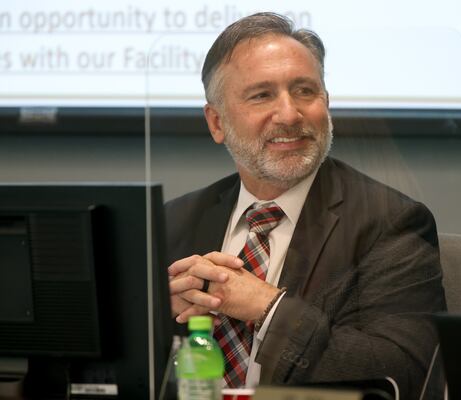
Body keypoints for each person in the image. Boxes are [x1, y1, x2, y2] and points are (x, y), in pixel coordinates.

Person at [166, 12, 446, 400]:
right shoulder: (173, 222)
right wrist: (159, 318)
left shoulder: (390, 222)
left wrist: (268, 309)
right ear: (216, 122)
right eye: (262, 95)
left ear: (326, 104)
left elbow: (402, 372)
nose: (290, 114)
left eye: (304, 91)